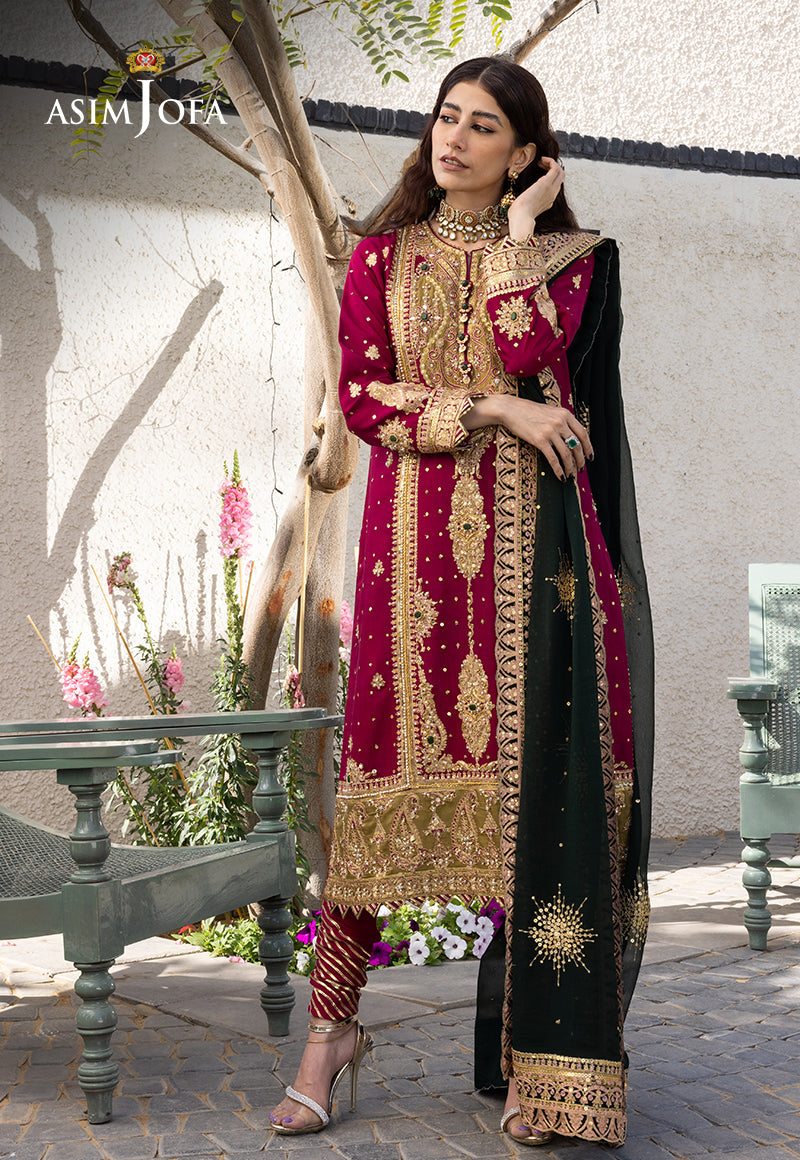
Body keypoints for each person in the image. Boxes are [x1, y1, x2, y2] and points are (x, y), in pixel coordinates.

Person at [270, 55, 653, 1146]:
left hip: (538, 577)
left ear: (526, 153)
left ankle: (540, 1057)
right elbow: (363, 396)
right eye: (447, 117)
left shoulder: (570, 260)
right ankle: (329, 1034)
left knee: (535, 811)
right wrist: (493, 409)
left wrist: (520, 238)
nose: (454, 138)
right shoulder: (380, 257)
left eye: (485, 127)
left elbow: (539, 356)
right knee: (375, 812)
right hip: (410, 568)